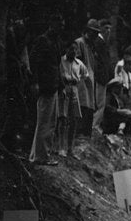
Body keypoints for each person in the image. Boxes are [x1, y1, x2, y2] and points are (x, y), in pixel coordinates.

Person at [27, 16, 62, 166]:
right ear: (51, 24)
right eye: (59, 24)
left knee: (50, 122)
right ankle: (40, 156)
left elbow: (56, 65)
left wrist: (60, 84)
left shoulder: (55, 42)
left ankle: (39, 154)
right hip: (45, 86)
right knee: (44, 122)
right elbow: (34, 63)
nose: (61, 27)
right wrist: (35, 82)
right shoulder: (43, 40)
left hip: (53, 86)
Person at [57, 41, 89, 159]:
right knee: (63, 118)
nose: (73, 52)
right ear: (66, 49)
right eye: (71, 49)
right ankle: (61, 148)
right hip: (64, 88)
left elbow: (86, 76)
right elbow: (58, 74)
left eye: (75, 50)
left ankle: (70, 148)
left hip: (74, 90)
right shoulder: (61, 61)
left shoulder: (79, 63)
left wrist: (86, 90)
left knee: (74, 119)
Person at [73, 19, 100, 139]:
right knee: (82, 104)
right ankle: (79, 133)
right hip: (82, 79)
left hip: (90, 79)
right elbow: (77, 61)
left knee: (90, 105)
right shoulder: (79, 43)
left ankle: (86, 133)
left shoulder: (90, 45)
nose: (95, 35)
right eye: (93, 32)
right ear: (87, 31)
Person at [91, 19, 115, 134]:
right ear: (100, 28)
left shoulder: (103, 42)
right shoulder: (98, 42)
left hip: (104, 78)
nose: (108, 31)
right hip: (100, 77)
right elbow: (98, 62)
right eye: (106, 28)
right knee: (99, 103)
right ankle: (94, 126)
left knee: (101, 103)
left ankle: (96, 125)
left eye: (110, 28)